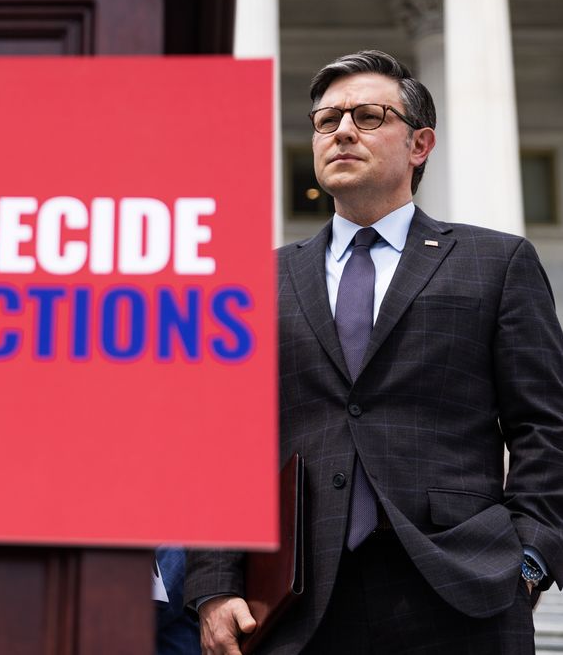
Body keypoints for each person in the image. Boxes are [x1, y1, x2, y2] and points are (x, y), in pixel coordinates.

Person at [186, 50, 563, 654]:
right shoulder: (258, 281)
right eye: (326, 120)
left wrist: (531, 559)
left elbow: (547, 428)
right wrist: (213, 586)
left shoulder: (495, 263)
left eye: (366, 116)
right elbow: (221, 443)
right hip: (293, 602)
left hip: (463, 591)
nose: (340, 131)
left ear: (419, 145)